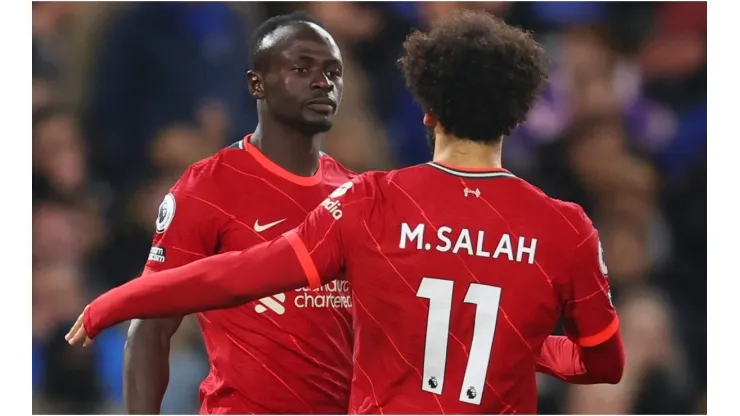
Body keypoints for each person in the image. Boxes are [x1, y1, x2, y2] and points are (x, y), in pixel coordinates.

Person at [68, 10, 625, 414]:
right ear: (517, 115)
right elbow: (603, 363)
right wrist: (523, 342)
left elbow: (239, 275)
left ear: (427, 112)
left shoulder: (372, 200)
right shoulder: (564, 226)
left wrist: (112, 302)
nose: (322, 83)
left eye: (330, 71)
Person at [120, 12, 354, 415]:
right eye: (302, 68)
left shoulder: (356, 194)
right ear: (256, 83)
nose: (323, 82)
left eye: (333, 71)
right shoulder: (208, 187)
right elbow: (150, 326)